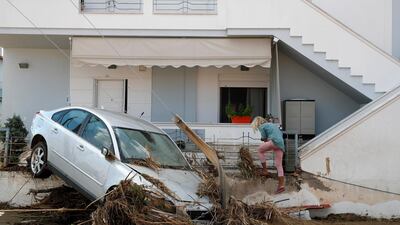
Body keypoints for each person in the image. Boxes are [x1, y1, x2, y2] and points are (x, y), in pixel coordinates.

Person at [251, 116, 285, 194]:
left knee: (260, 150)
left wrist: (263, 139)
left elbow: (264, 138)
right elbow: (278, 134)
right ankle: (281, 186)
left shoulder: (262, 126)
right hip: (281, 144)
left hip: (274, 141)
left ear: (257, 123)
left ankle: (265, 170)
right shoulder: (272, 125)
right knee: (279, 165)